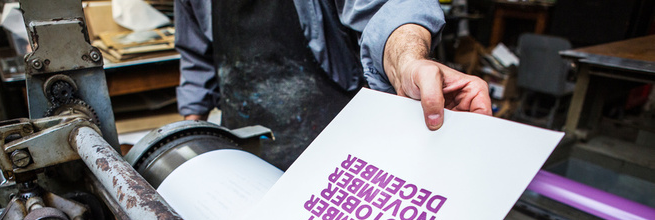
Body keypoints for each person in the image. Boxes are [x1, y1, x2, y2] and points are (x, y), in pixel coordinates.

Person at [175, 0, 491, 169]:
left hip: (339, 146)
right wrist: (188, 139)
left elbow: (387, 7)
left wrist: (408, 62)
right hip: (242, 149)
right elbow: (196, 54)